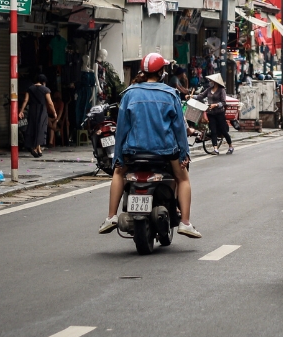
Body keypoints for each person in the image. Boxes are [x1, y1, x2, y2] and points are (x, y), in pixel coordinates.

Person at [99, 53, 200, 238]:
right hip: (165, 152)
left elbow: (121, 128)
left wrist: (119, 155)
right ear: (161, 72)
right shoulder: (170, 94)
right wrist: (184, 154)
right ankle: (185, 222)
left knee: (119, 172)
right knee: (183, 178)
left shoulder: (129, 94)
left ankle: (111, 216)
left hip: (133, 151)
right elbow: (179, 129)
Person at [195, 72, 233, 155]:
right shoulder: (209, 89)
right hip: (211, 113)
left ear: (215, 81)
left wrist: (215, 105)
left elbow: (223, 102)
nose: (210, 81)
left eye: (211, 80)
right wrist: (191, 96)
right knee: (213, 131)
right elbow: (200, 96)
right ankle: (215, 149)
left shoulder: (221, 90)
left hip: (219, 113)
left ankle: (230, 146)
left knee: (223, 131)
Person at [21, 74, 57, 158]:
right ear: (43, 82)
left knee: (32, 127)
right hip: (42, 110)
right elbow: (50, 103)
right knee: (41, 128)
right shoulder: (45, 90)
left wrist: (21, 111)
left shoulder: (30, 88)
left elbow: (26, 100)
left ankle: (38, 148)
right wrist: (54, 112)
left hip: (32, 110)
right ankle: (35, 147)